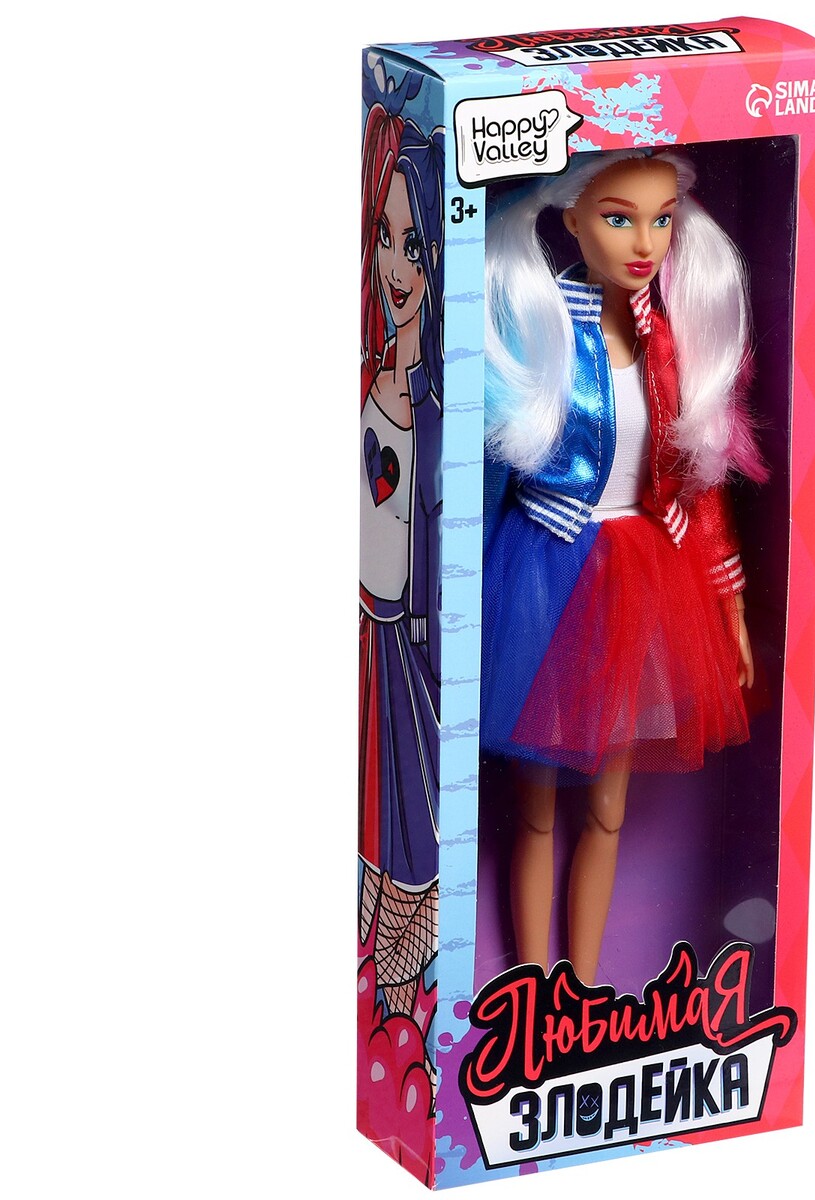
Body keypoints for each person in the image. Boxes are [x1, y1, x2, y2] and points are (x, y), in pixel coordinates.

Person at [481, 148, 766, 986]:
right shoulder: (543, 336)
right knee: (536, 813)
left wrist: (730, 609)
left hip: (642, 581)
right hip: (542, 570)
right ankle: (535, 994)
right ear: (569, 219)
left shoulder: (669, 344)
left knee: (607, 811)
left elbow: (697, 490)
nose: (645, 242)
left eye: (661, 219)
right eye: (618, 218)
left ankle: (585, 988)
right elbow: (490, 477)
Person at [359, 102, 444, 1016]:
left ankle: (412, 968)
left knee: (421, 812)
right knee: (385, 809)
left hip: (422, 642)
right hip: (375, 635)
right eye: (385, 238)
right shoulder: (371, 374)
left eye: (413, 247)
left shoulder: (438, 402)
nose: (395, 267)